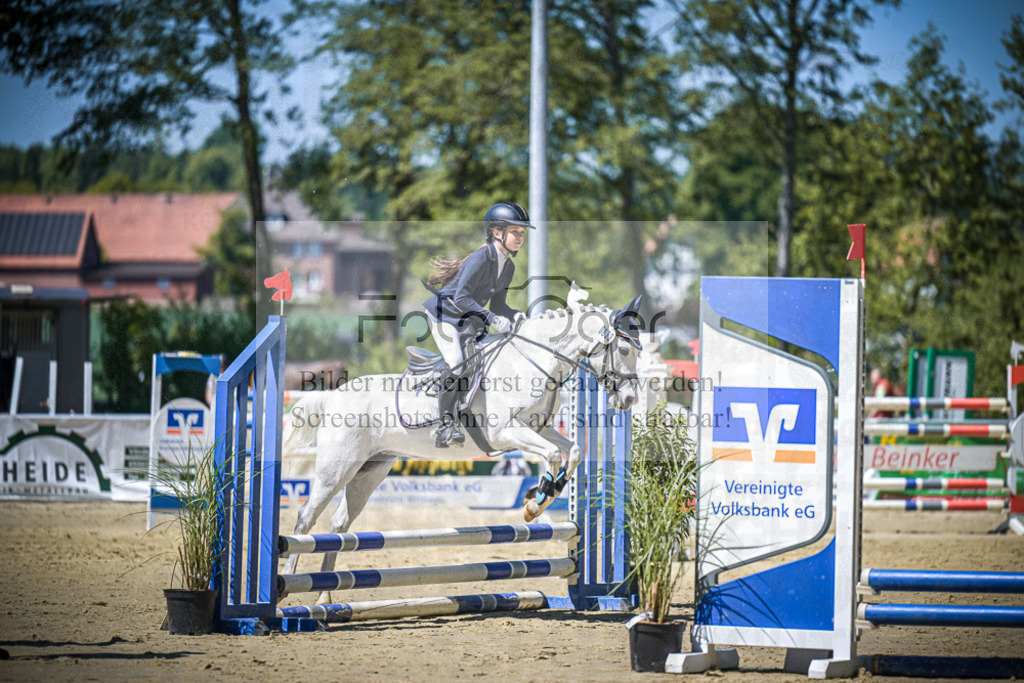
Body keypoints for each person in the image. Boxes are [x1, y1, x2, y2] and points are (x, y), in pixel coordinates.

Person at [422, 201, 534, 448]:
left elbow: (498, 305)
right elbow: (461, 298)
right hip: (445, 316)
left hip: (467, 320)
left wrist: (515, 315)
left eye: (522, 234)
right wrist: (493, 320)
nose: (519, 238)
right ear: (497, 232)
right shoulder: (481, 257)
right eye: (515, 232)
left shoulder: (508, 266)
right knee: (457, 364)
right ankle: (445, 428)